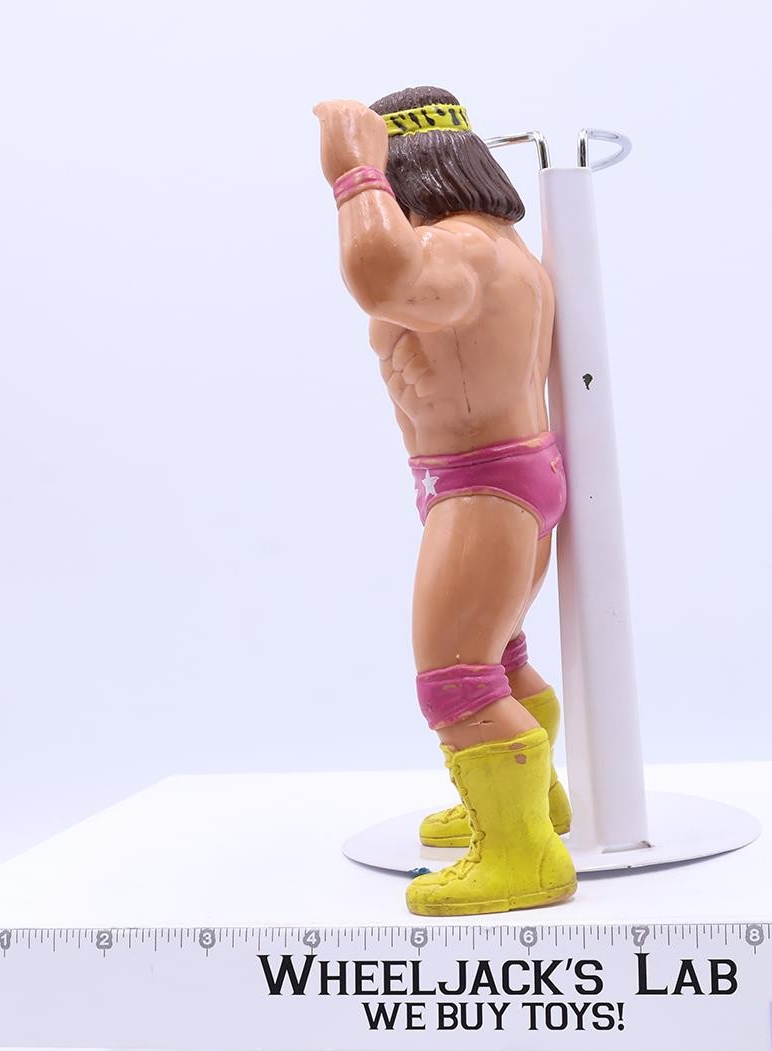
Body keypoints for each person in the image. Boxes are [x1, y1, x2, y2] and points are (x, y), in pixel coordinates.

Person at [313, 86, 575, 916]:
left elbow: (381, 276)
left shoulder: (461, 250)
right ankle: (530, 805)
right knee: (496, 657)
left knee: (455, 679)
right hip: (492, 479)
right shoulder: (496, 245)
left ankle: (522, 856)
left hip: (483, 486)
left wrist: (352, 172)